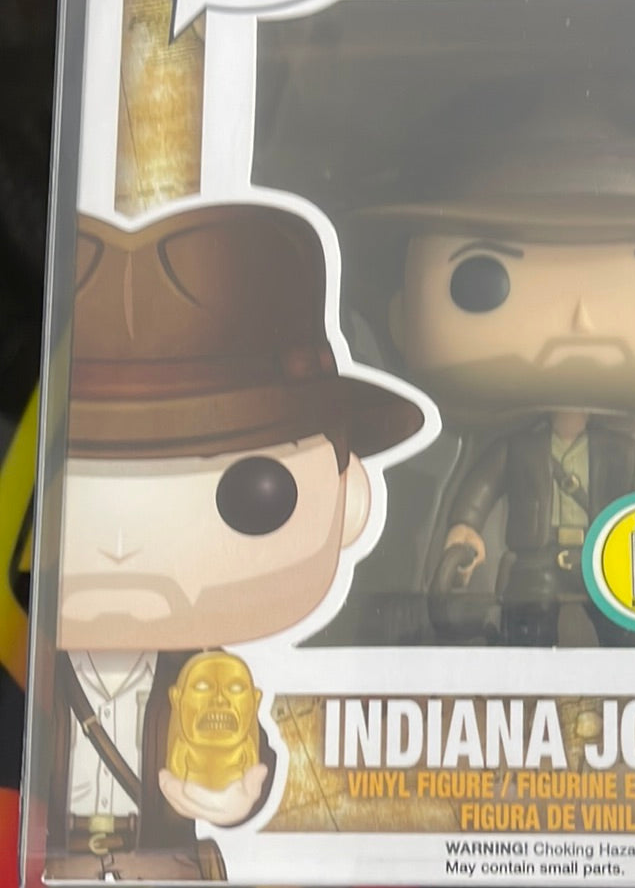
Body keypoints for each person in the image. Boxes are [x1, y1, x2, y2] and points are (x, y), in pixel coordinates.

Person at [47, 203, 426, 879]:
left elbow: (237, 742)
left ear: (348, 498)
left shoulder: (204, 676)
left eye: (253, 494)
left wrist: (237, 795)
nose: (122, 545)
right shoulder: (29, 663)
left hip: (163, 863)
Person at [364, 83, 635, 645]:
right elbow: (481, 490)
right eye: (481, 280)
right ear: (401, 315)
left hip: (608, 563)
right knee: (527, 635)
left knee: (627, 634)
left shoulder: (621, 450)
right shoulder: (517, 450)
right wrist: (464, 533)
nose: (582, 320)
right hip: (532, 567)